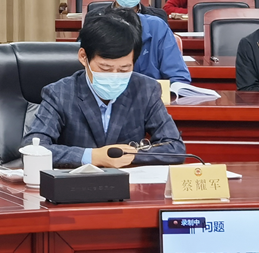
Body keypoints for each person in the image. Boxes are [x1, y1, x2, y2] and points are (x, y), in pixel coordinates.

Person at [22, 11, 186, 168]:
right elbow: (32, 148)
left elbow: (175, 147)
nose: (114, 76)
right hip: (75, 182)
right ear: (83, 57)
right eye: (105, 68)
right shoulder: (59, 93)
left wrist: (131, 155)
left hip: (127, 182)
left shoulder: (145, 89)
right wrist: (92, 156)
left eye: (123, 69)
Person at [85, 0, 191, 83]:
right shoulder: (97, 29)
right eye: (106, 68)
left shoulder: (156, 28)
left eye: (124, 69)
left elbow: (179, 78)